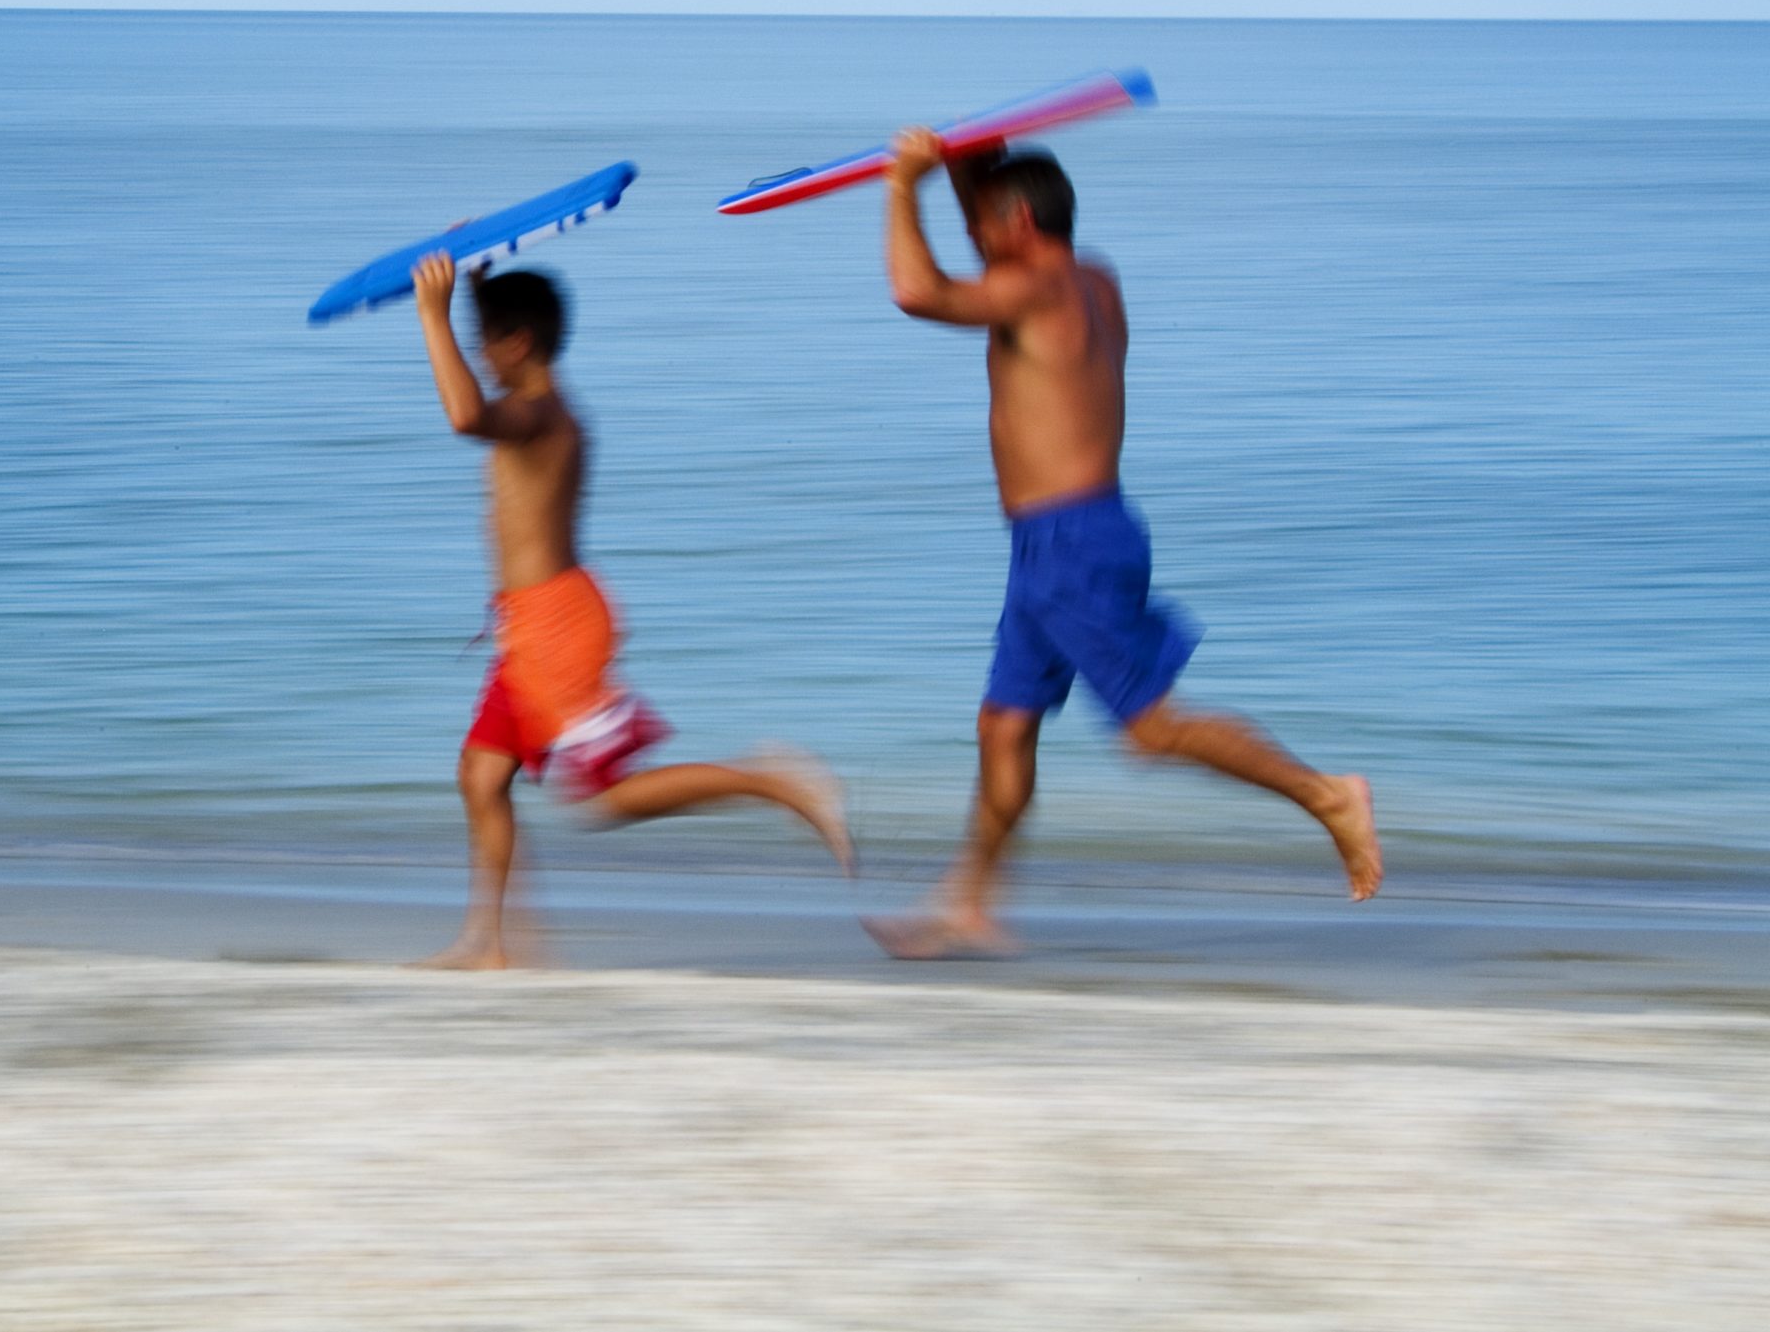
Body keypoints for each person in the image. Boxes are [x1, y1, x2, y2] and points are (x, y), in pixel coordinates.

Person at [862, 129, 1381, 958]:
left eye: (983, 229)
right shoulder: (1090, 278)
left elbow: (915, 291)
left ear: (1018, 224)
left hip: (1071, 545)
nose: (975, 242)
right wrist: (961, 171)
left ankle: (1327, 796)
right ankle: (970, 905)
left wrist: (901, 186)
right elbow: (995, 242)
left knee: (1150, 729)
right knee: (1004, 727)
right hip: (1057, 541)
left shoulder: (1029, 286)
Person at [408, 252, 853, 970]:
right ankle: (493, 944)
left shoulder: (540, 415)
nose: (479, 354)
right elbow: (493, 374)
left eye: (485, 339)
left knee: (606, 798)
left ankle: (770, 779)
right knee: (482, 775)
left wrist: (432, 314)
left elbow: (465, 414)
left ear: (515, 345)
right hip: (528, 625)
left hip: (553, 629)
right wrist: (479, 288)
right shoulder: (545, 402)